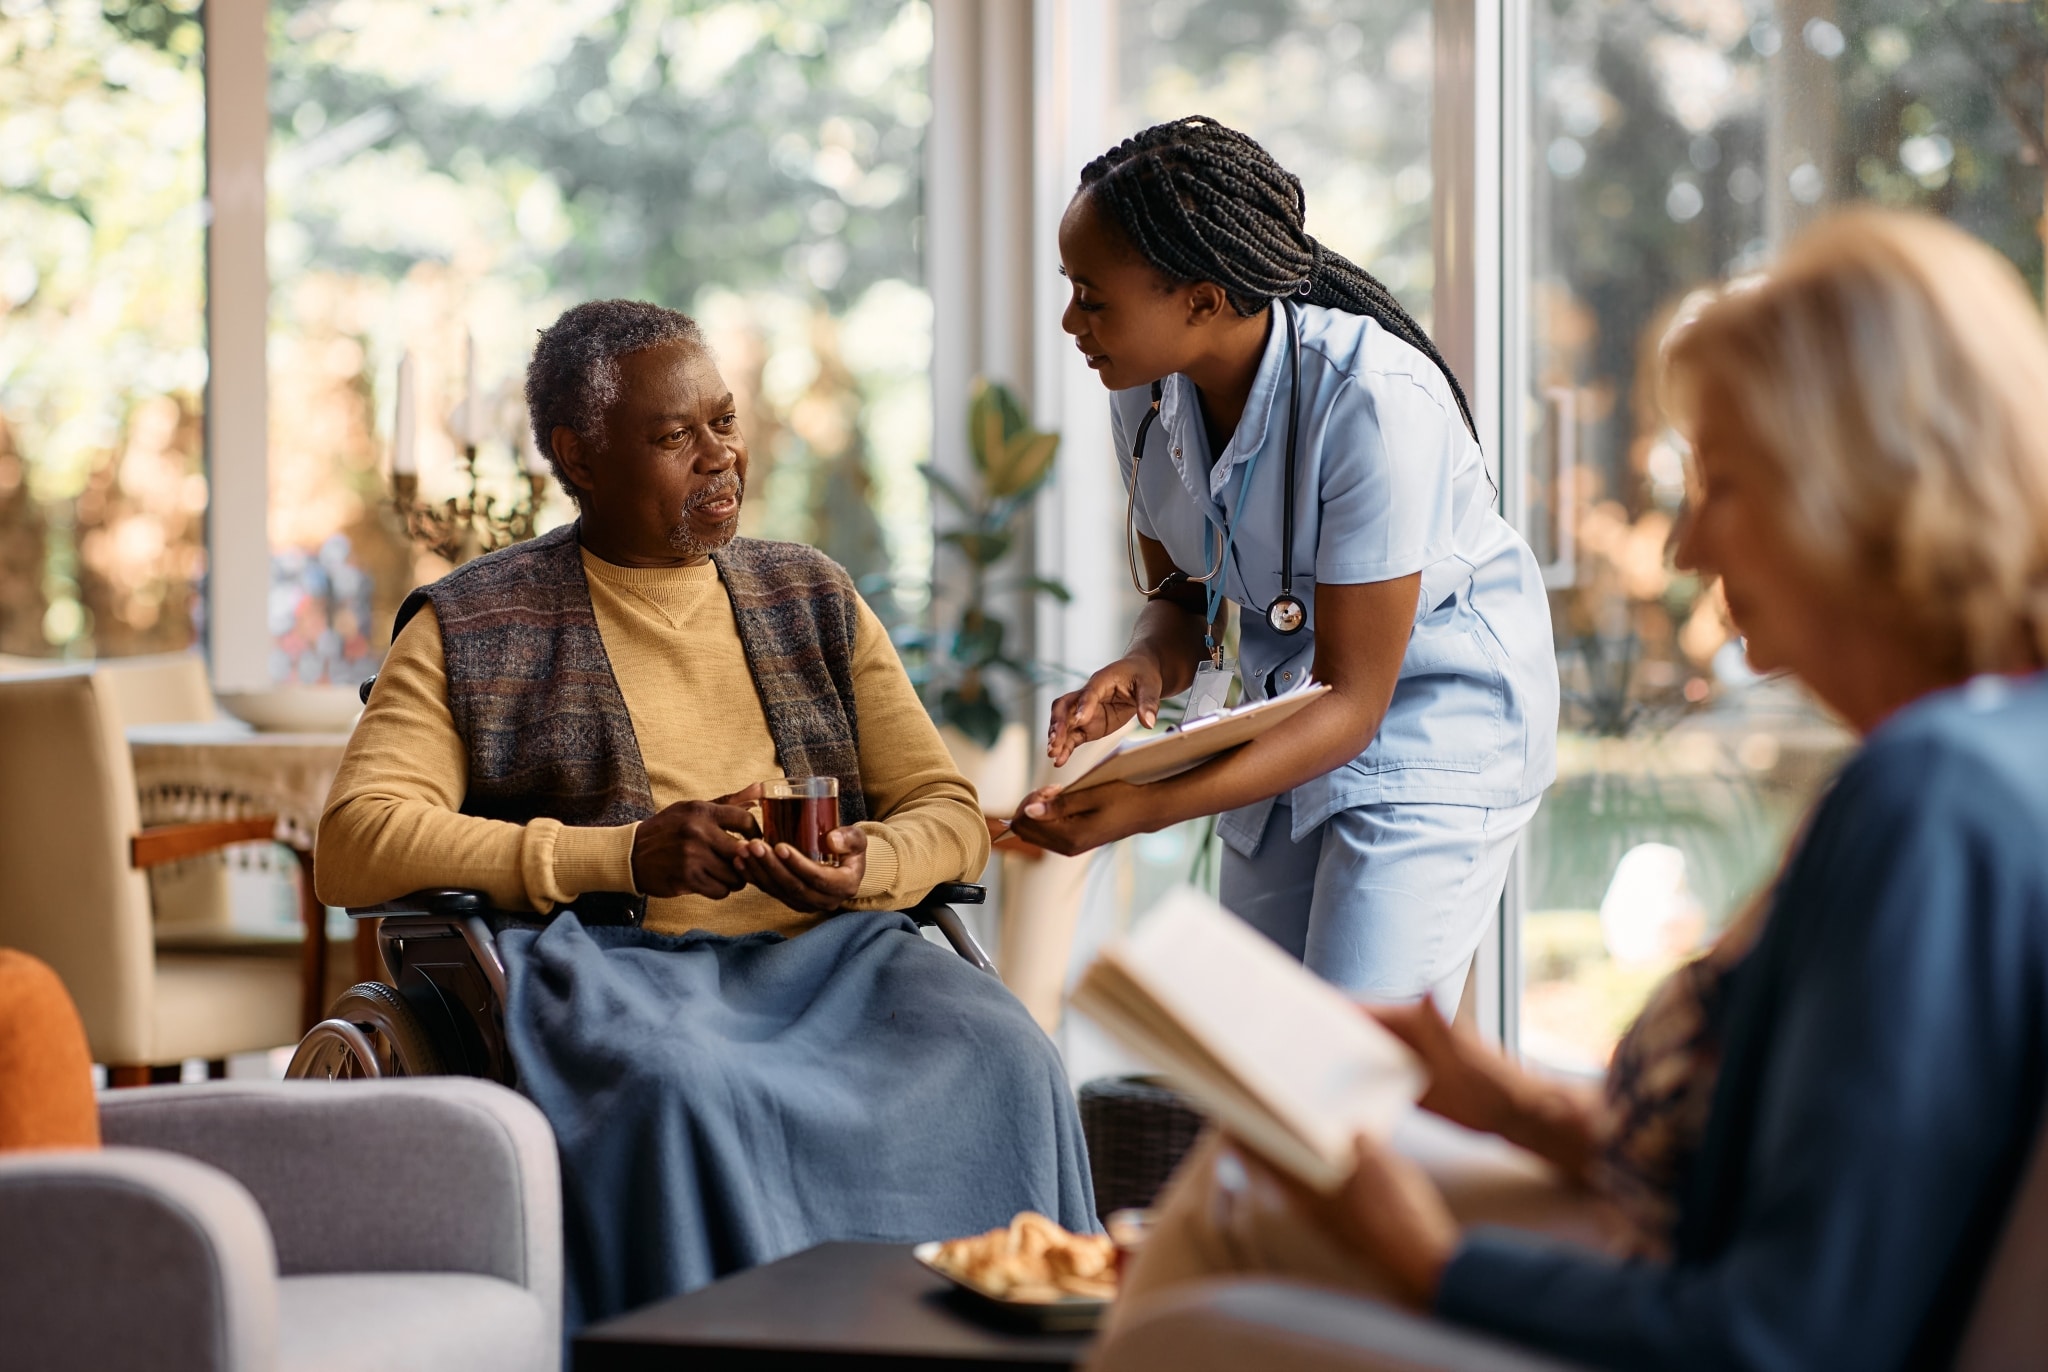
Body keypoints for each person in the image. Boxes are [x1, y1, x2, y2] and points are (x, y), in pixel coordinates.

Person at [1098, 208, 2048, 1371]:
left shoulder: (1935, 800)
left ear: (1870, 493)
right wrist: (1519, 1106)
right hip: (1648, 1219)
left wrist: (1427, 1261)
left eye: (1724, 483)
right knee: (1240, 1183)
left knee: (1217, 1251)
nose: (1688, 544)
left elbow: (1781, 1334)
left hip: (1683, 1315)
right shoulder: (1985, 756)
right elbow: (1815, 1169)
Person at [318, 300, 1096, 1329]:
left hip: (838, 956)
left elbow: (946, 811)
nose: (720, 456)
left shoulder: (810, 595)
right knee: (683, 1087)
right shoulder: (470, 621)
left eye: (723, 421)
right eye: (673, 436)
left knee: (1008, 1054)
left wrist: (865, 862)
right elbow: (356, 841)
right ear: (579, 456)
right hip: (612, 971)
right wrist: (623, 855)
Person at [1009, 118, 1558, 1010]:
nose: (1073, 321)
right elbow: (1185, 595)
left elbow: (1355, 697)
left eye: (1093, 297)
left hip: (1427, 723)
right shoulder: (1144, 390)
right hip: (1288, 714)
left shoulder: (1373, 401)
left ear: (1203, 298)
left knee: (1345, 1075)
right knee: (1260, 1069)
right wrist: (1144, 664)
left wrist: (1147, 806)